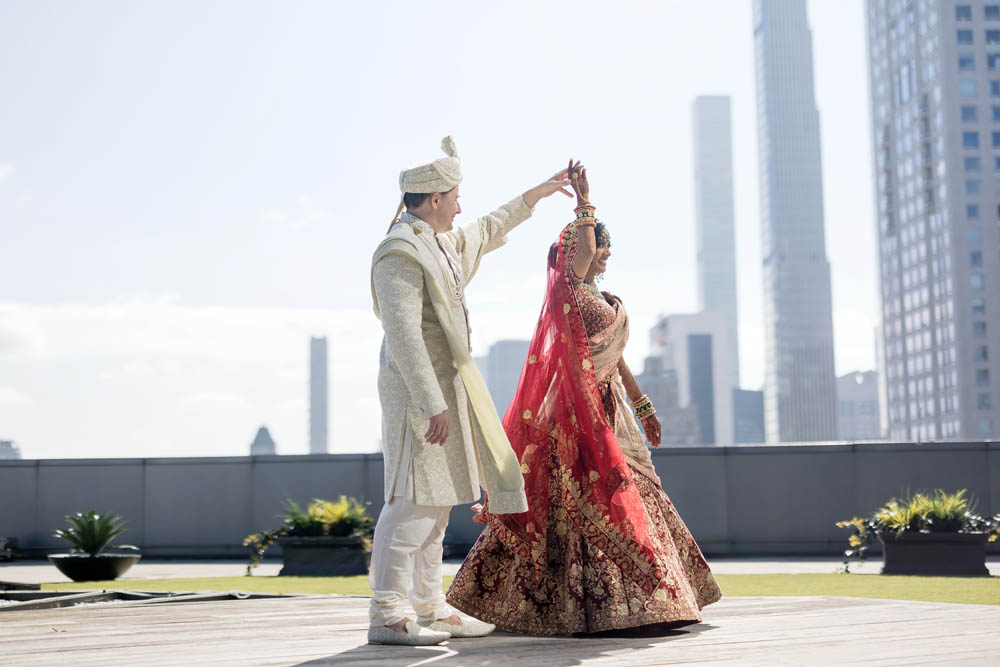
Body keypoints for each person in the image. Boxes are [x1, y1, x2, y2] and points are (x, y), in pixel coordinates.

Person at [446, 161, 722, 634]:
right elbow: (587, 243)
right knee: (569, 499)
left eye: (607, 250)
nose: (606, 257)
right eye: (601, 250)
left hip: (612, 411)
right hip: (575, 416)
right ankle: (551, 606)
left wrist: (642, 404)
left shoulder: (602, 299)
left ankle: (657, 599)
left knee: (635, 492)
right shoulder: (570, 292)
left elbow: (618, 358)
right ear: (580, 252)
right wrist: (583, 200)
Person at [367, 137, 572, 645]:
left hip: (446, 387)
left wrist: (539, 194)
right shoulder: (399, 251)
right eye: (455, 196)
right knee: (412, 501)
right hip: (418, 394)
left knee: (438, 504)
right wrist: (430, 402)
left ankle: (429, 606)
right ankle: (387, 613)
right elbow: (404, 333)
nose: (462, 206)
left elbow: (488, 227)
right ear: (433, 198)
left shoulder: (442, 243)